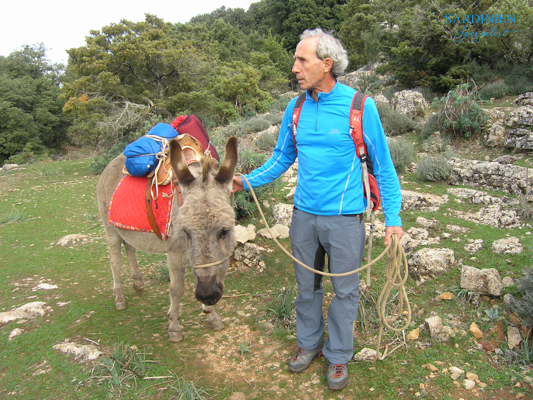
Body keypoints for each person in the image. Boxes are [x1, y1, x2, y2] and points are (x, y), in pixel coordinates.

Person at [232, 28, 404, 391]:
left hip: (344, 220)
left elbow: (384, 167)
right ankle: (308, 344)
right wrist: (245, 181)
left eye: (301, 60)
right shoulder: (295, 108)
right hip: (303, 217)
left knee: (345, 291)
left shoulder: (360, 106)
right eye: (296, 59)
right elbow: (281, 158)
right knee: (306, 287)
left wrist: (394, 219)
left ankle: (338, 356)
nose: (294, 67)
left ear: (326, 64)